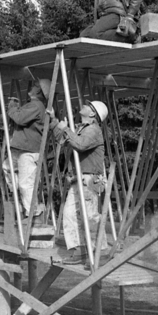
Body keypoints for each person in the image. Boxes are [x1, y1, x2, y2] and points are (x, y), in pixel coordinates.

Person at [49, 100, 109, 265]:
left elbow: (80, 145)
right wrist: (55, 121)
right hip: (79, 178)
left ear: (92, 114)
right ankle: (80, 249)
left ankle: (101, 251)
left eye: (88, 106)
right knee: (70, 214)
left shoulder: (93, 130)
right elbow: (62, 139)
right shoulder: (81, 129)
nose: (83, 105)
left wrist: (66, 129)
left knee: (90, 216)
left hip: (90, 179)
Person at [3, 79, 52, 224]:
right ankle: (21, 199)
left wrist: (12, 108)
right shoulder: (33, 106)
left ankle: (34, 213)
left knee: (26, 183)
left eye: (36, 86)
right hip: (23, 148)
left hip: (29, 150)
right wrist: (15, 108)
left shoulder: (36, 105)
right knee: (7, 167)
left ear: (39, 92)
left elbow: (19, 118)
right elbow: (21, 117)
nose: (32, 87)